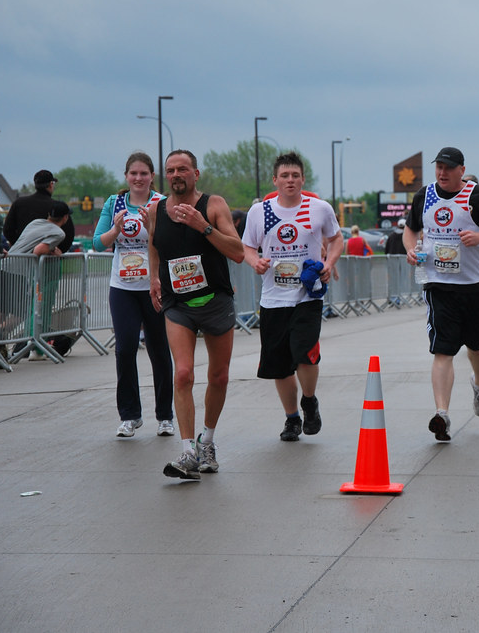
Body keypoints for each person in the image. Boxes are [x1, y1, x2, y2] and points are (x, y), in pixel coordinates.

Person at [147, 150, 245, 481]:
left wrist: (202, 227)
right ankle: (188, 450)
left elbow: (238, 253)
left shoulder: (213, 205)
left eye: (183, 169)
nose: (176, 174)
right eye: (171, 169)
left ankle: (207, 441)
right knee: (183, 374)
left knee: (219, 376)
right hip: (178, 305)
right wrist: (153, 276)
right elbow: (154, 246)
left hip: (215, 298)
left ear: (195, 173)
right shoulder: (155, 211)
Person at [403, 147, 479, 442]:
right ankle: (443, 414)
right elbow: (410, 229)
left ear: (461, 170)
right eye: (439, 167)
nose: (442, 173)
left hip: (474, 285)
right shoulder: (424, 196)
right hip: (438, 285)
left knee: (476, 345)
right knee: (443, 349)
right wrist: (411, 249)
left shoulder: (477, 196)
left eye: (449, 169)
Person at [242, 152, 343, 442]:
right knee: (279, 365)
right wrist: (254, 262)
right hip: (273, 299)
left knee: (305, 355)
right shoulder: (259, 212)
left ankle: (309, 402)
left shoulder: (319, 208)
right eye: (284, 176)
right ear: (275, 180)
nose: (290, 180)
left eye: (295, 175)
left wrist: (329, 263)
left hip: (307, 297)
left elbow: (336, 239)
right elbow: (248, 247)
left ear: (303, 179)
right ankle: (291, 419)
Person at [93, 152, 173, 438]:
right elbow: (98, 243)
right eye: (133, 174)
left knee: (159, 350)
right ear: (126, 176)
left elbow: (172, 243)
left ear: (152, 176)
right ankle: (129, 416)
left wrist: (153, 228)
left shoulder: (162, 203)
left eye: (144, 174)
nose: (138, 178)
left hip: (154, 286)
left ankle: (165, 416)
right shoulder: (114, 203)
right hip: (123, 288)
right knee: (125, 349)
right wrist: (115, 229)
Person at [3, 169, 75, 253]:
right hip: (49, 259)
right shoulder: (57, 207)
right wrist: (57, 250)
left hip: (21, 258)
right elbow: (69, 235)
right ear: (51, 184)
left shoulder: (19, 203)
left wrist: (22, 246)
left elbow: (8, 230)